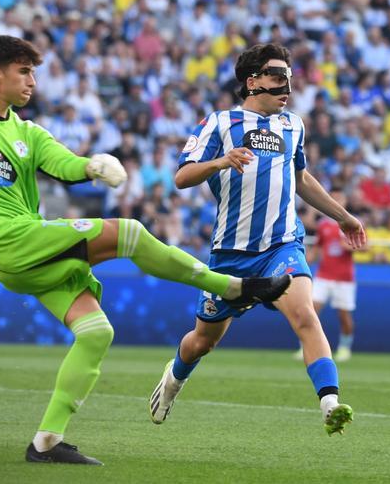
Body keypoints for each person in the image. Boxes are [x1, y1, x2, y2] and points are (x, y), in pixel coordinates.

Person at [0, 35, 291, 465]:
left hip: (31, 251)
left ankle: (45, 443)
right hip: (6, 242)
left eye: (34, 72)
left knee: (97, 333)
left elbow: (63, 162)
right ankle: (233, 285)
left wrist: (93, 167)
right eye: (25, 71)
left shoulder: (27, 132)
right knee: (129, 232)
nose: (33, 81)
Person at [148, 44, 366, 436]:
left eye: (289, 78)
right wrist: (220, 161)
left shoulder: (293, 126)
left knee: (305, 314)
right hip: (230, 255)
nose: (287, 86)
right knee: (202, 342)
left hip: (281, 246)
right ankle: (173, 381)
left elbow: (300, 179)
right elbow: (181, 178)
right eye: (277, 76)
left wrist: (343, 215)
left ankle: (330, 402)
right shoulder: (219, 122)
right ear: (252, 81)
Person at [298, 187, 358, 362]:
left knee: (344, 315)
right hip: (324, 275)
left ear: (345, 201)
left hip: (345, 278)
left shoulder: (351, 223)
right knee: (311, 312)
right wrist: (305, 262)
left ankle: (345, 348)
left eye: (340, 198)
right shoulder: (324, 225)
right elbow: (317, 247)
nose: (338, 202)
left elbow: (364, 244)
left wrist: (350, 246)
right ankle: (305, 347)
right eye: (334, 198)